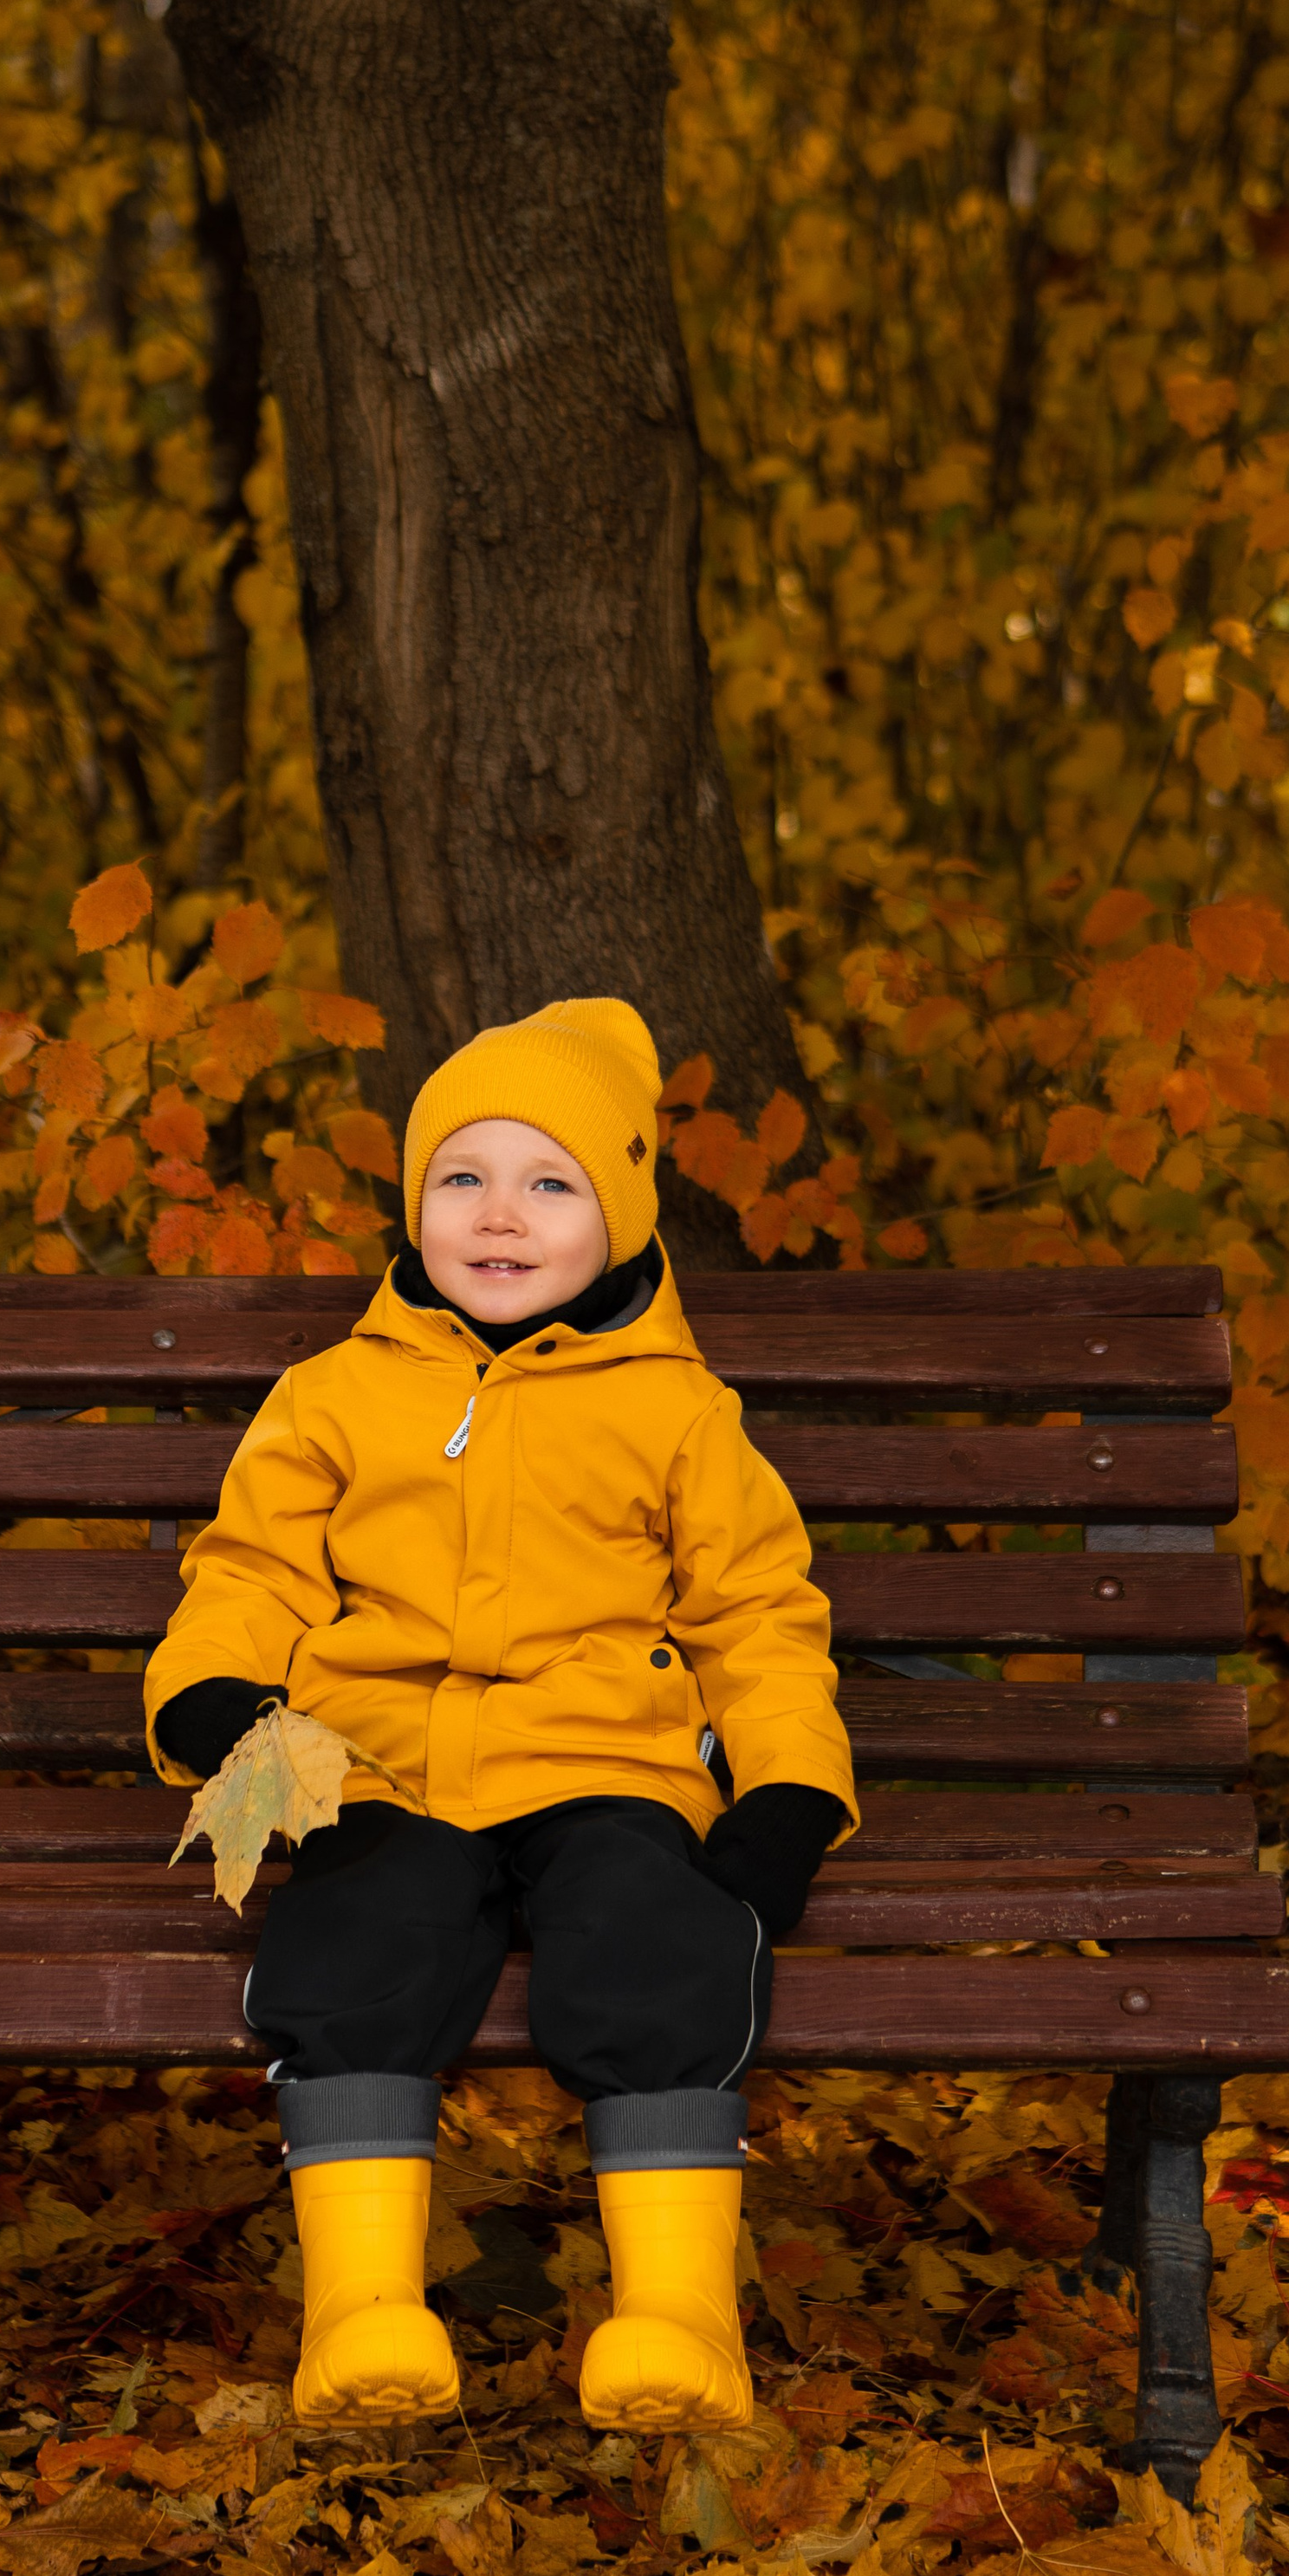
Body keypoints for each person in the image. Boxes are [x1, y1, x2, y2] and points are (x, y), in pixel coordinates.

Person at [144, 998, 855, 2433]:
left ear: (622, 1216)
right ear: (415, 1204)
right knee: (355, 1936)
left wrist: (788, 1790)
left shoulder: (677, 1412)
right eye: (461, 1176)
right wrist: (217, 1695)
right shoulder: (335, 1396)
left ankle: (677, 2315)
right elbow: (250, 1574)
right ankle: (361, 2306)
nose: (499, 1215)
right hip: (378, 1764)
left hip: (606, 1759)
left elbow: (755, 1616)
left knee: (657, 1937)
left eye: (551, 1183)